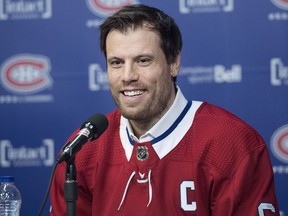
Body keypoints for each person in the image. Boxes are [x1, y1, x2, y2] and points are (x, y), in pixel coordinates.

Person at [50, 4, 280, 216]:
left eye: (143, 60)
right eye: (116, 63)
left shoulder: (232, 143)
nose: (128, 76)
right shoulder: (84, 149)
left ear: (173, 63)